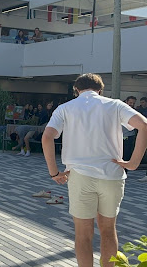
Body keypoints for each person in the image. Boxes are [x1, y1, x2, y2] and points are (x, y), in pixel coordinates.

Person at [41, 73, 147, 267]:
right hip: (112, 175)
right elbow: (144, 125)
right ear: (100, 89)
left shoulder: (65, 108)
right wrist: (133, 163)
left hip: (79, 176)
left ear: (76, 90)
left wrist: (54, 173)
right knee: (108, 229)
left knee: (83, 234)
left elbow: (47, 137)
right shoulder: (115, 105)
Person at [122, 96, 137, 174]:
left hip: (129, 137)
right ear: (126, 101)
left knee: (127, 156)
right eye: (130, 102)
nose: (132, 104)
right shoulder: (120, 110)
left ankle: (125, 172)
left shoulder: (134, 112)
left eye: (133, 103)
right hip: (120, 137)